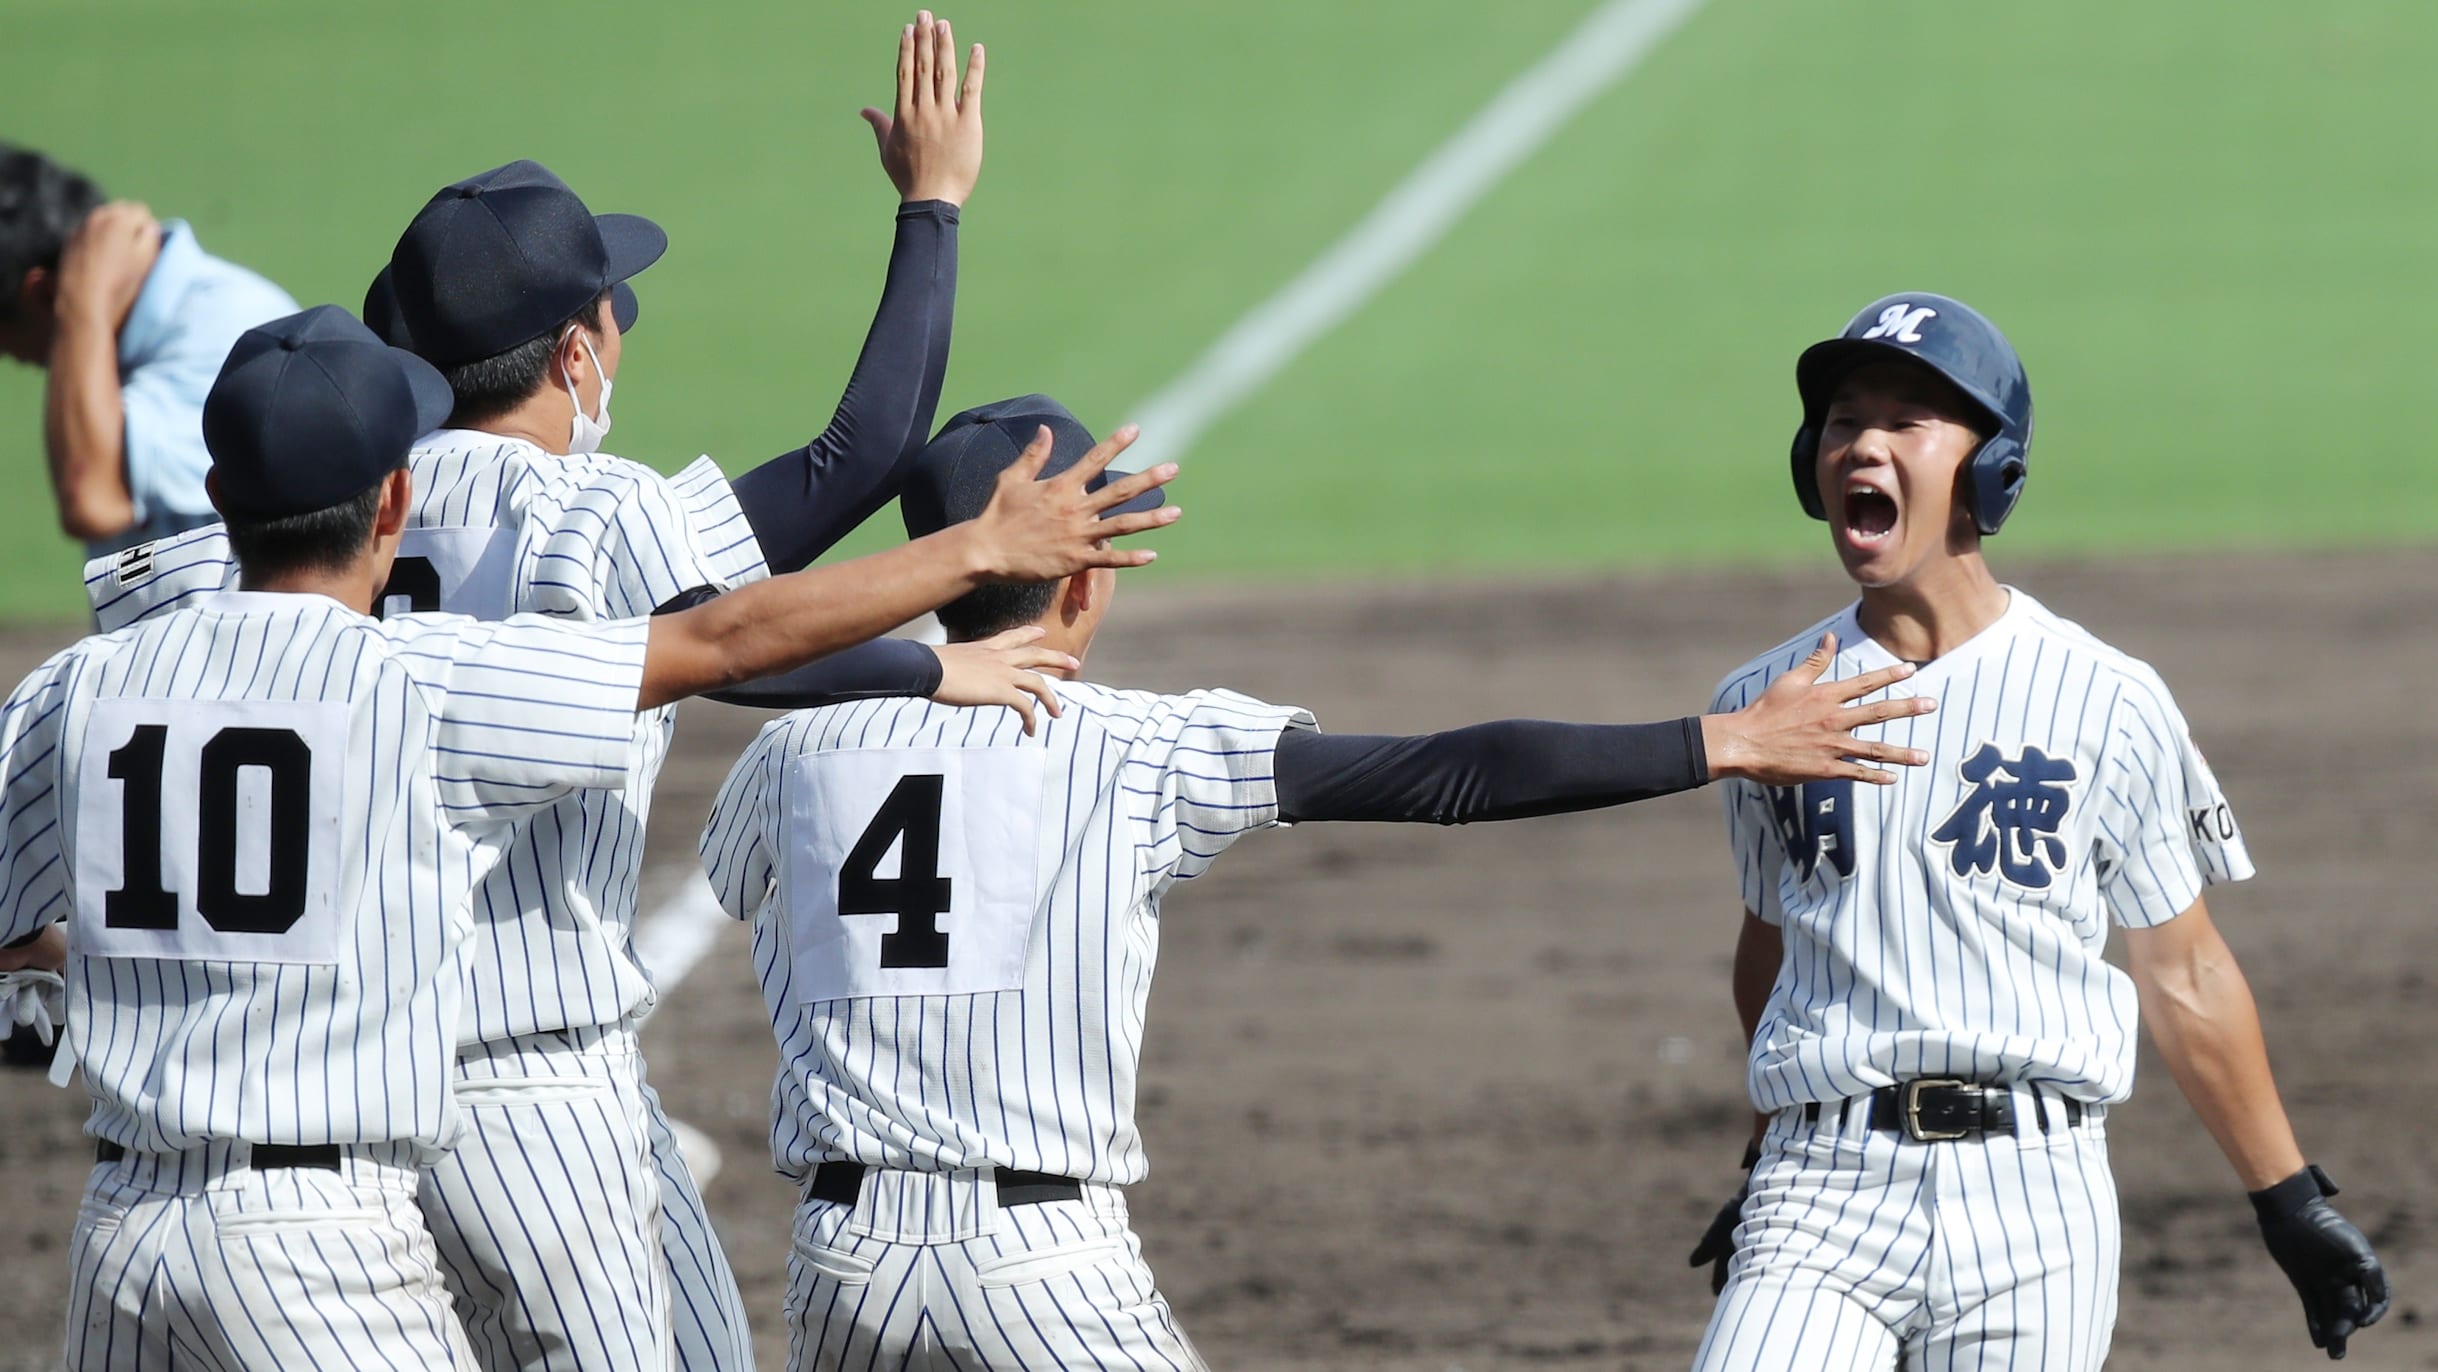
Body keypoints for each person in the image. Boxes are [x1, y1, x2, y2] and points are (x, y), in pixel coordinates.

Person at [0, 307, 1177, 1369]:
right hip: (316, 1255)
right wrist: (972, 559)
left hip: (124, 1242)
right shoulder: (422, 679)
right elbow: (718, 641)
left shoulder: (73, 686)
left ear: (219, 495)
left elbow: (18, 934)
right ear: (392, 501)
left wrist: (116, 942)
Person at [81, 17, 1001, 1369]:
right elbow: (843, 479)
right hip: (538, 1103)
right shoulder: (594, 516)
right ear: (575, 353)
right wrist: (932, 207)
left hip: (338, 1103)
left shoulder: (304, 527)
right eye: (610, 311)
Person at [696, 394, 1935, 1370]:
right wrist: (1710, 742)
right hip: (1040, 1263)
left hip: (840, 1260)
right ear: (1086, 575)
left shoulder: (794, 749)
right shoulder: (1140, 749)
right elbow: (1445, 775)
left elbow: (743, 869)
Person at [1683, 293, 2391, 1369]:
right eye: (1839, 420)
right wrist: (1760, 1148)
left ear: (1985, 471)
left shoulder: (2105, 699)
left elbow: (2182, 967)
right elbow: (1773, 941)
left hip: (2035, 1204)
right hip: (1817, 1189)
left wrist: (2284, 1197)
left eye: (1905, 420)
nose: (1860, 444)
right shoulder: (1762, 700)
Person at [0, 144, 297, 556]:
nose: (8, 357)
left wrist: (81, 302)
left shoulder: (227, 329)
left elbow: (93, 501)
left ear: (45, 292)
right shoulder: (119, 340)